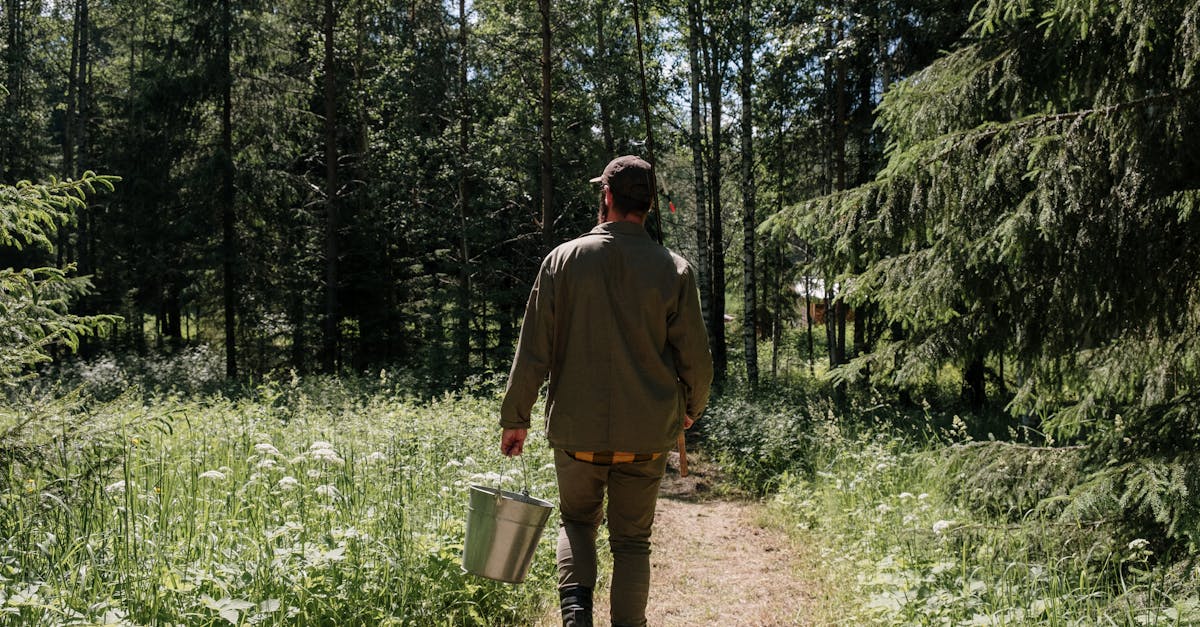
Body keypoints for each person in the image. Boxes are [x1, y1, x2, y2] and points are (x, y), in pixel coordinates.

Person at [498, 155, 713, 627]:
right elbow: (696, 359)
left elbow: (533, 349)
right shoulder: (674, 269)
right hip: (647, 433)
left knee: (577, 524)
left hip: (578, 433)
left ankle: (577, 619)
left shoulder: (562, 261)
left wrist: (516, 418)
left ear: (608, 197)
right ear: (650, 204)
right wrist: (689, 409)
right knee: (632, 542)